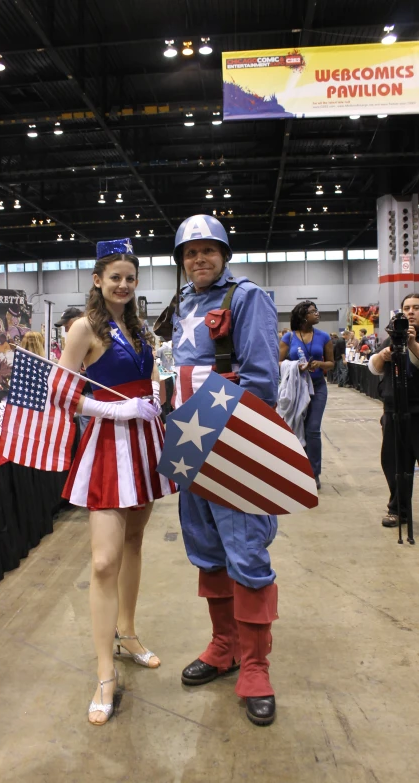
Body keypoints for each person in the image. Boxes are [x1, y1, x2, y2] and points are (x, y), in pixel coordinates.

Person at [156, 214, 280, 727]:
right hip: (190, 445)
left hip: (232, 446)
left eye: (207, 250)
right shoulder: (183, 302)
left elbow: (261, 380)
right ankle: (224, 647)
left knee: (246, 554)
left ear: (224, 254)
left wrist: (196, 422)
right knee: (206, 551)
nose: (198, 259)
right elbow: (176, 369)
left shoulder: (247, 298)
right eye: (189, 253)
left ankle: (255, 668)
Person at [58, 239, 176, 726]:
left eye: (131, 278)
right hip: (109, 445)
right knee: (104, 560)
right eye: (116, 278)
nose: (124, 285)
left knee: (133, 543)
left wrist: (155, 394)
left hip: (147, 441)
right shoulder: (84, 327)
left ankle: (126, 635)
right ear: (97, 280)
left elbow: (156, 377)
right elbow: (62, 392)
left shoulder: (140, 328)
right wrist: (113, 407)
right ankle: (104, 671)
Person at [368, 293, 419, 528]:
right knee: (394, 463)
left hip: (417, 409)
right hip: (393, 409)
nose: (410, 312)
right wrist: (382, 355)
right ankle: (398, 510)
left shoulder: (411, 339)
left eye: (416, 308)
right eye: (407, 307)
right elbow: (374, 368)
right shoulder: (392, 335)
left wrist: (412, 344)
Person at [279, 302, 334, 489]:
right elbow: (277, 362)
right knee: (296, 427)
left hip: (318, 387)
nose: (317, 314)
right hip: (297, 387)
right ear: (303, 316)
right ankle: (297, 470)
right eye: (313, 312)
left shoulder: (324, 337)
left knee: (312, 429)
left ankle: (313, 473)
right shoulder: (289, 337)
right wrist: (295, 366)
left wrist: (320, 364)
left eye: (317, 310)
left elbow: (332, 363)